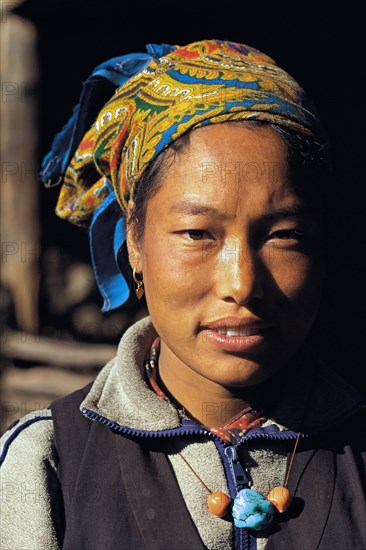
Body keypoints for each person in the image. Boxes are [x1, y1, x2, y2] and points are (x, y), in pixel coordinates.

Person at [1, 39, 365, 550]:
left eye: (283, 236)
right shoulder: (49, 462)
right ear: (135, 244)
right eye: (198, 234)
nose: (241, 285)